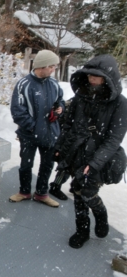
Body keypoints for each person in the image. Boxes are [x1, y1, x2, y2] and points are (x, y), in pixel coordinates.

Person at [54, 55, 127, 249]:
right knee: (78, 194)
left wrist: (94, 163)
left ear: (108, 77)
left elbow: (114, 139)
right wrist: (61, 148)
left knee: (88, 193)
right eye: (89, 75)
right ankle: (82, 230)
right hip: (77, 153)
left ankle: (101, 215)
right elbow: (69, 125)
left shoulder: (120, 103)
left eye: (97, 76)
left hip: (100, 157)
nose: (92, 79)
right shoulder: (81, 96)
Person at [9, 50, 65, 208]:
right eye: (52, 66)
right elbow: (17, 111)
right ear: (42, 66)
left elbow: (60, 100)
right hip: (29, 135)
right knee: (26, 165)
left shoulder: (53, 83)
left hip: (50, 134)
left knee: (47, 165)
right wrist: (34, 127)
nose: (54, 69)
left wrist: (60, 108)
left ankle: (41, 194)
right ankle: (24, 192)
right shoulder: (24, 84)